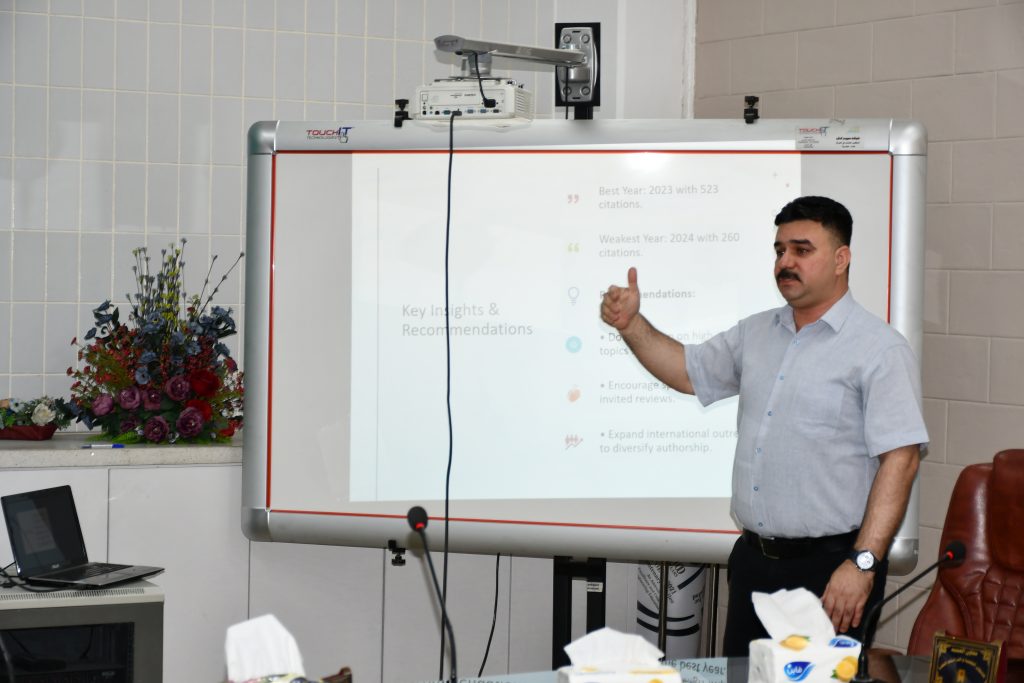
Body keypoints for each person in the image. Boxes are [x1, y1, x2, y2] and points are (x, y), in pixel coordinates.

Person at [600, 196, 928, 656]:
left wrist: (863, 563)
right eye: (779, 250)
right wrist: (631, 324)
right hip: (754, 563)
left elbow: (902, 459)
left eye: (802, 250)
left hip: (831, 570)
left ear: (841, 259)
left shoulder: (879, 349)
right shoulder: (756, 334)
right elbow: (687, 372)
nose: (785, 262)